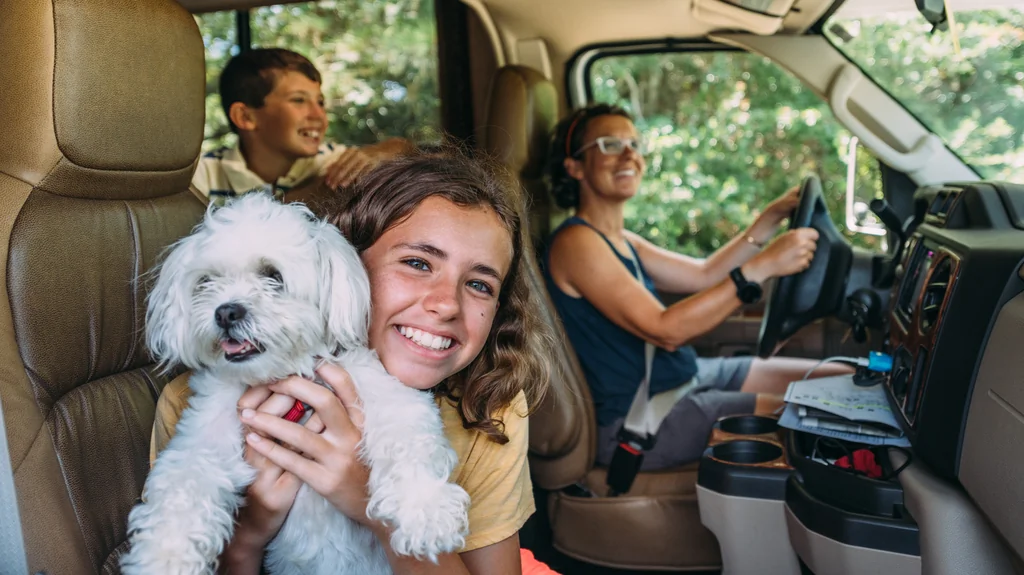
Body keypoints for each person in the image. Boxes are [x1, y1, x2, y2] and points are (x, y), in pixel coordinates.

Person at [150, 149, 555, 574]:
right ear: (352, 264)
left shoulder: (491, 407)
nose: (446, 304)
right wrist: (247, 533)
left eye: (479, 284)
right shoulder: (191, 400)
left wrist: (373, 507)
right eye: (417, 263)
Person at [543, 103, 851, 471]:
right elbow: (666, 330)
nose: (629, 155)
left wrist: (768, 220)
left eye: (634, 144)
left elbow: (705, 274)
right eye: (610, 144)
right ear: (575, 167)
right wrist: (764, 266)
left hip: (684, 377)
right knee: (815, 409)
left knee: (840, 378)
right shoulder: (576, 243)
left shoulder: (619, 239)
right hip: (642, 417)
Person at [193, 48, 412, 206]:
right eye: (298, 100)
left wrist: (379, 152)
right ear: (245, 117)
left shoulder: (329, 161)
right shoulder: (202, 177)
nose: (319, 116)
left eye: (320, 102)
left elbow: (404, 149)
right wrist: (314, 192)